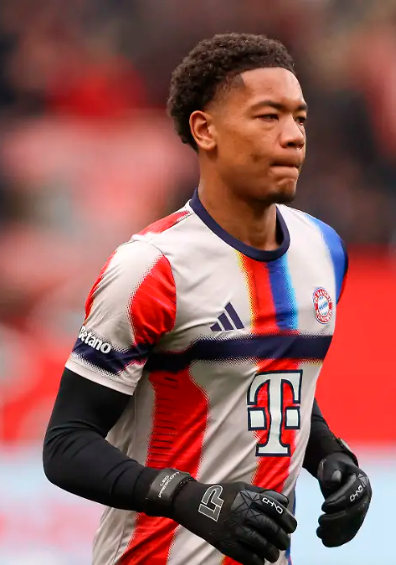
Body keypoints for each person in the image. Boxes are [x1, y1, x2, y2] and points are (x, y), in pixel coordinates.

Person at [42, 33, 372, 565]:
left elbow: (269, 383)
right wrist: (188, 498)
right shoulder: (153, 268)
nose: (293, 137)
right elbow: (66, 445)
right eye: (269, 117)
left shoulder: (324, 249)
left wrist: (332, 457)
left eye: (300, 119)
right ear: (205, 130)